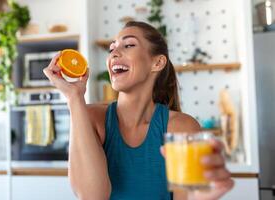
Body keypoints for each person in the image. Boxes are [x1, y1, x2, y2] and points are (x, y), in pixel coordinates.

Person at [43, 21, 234, 200]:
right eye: (111, 49)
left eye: (128, 45)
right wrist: (74, 98)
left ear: (157, 63)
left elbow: (193, 196)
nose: (114, 53)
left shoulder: (181, 127)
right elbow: (93, 196)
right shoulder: (92, 118)